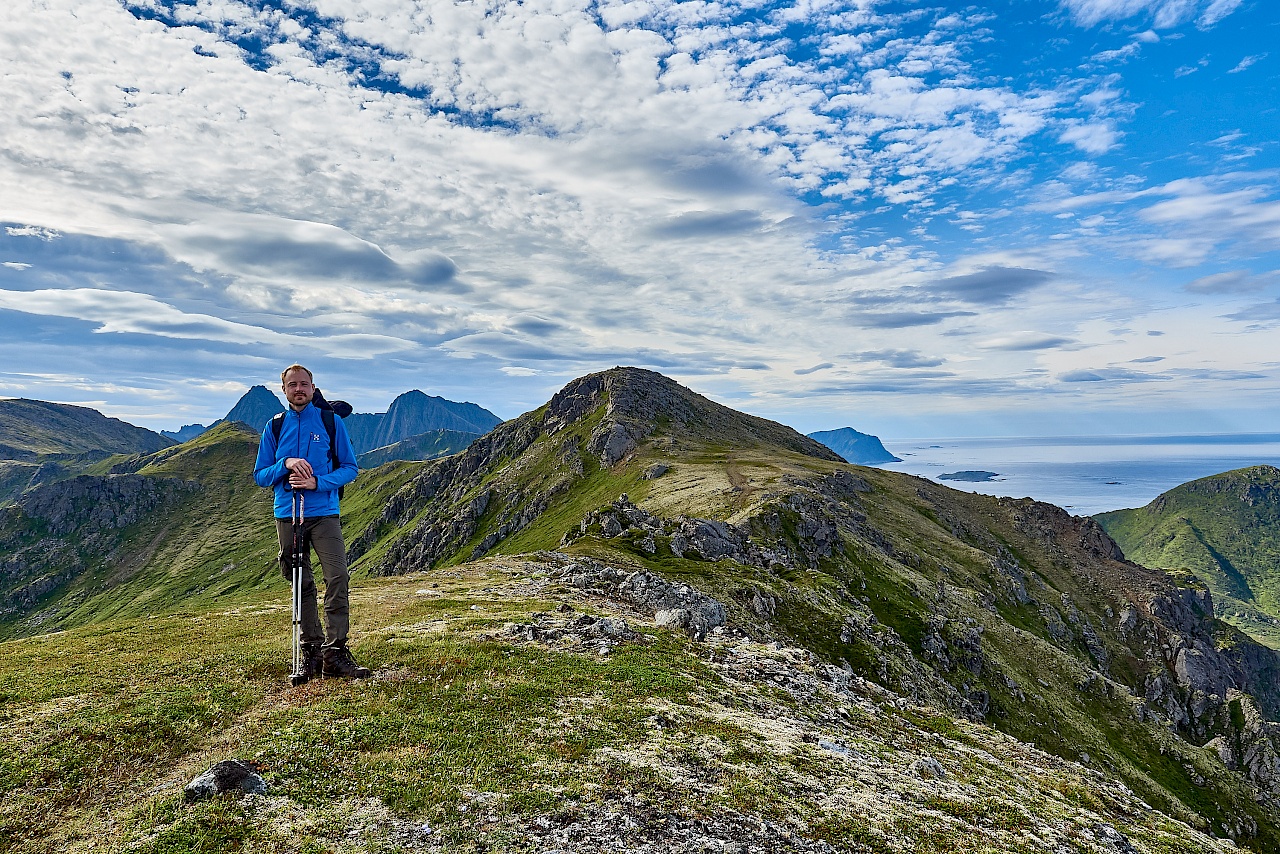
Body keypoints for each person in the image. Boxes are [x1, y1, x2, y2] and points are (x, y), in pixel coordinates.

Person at [253, 364, 369, 680]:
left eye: (304, 384)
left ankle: (335, 653)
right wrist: (285, 463)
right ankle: (312, 653)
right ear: (284, 390)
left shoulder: (330, 422)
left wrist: (318, 483)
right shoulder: (274, 427)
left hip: (324, 513)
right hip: (287, 515)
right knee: (300, 583)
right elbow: (260, 475)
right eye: (293, 385)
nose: (299, 389)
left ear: (313, 387)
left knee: (337, 577)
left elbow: (350, 467)